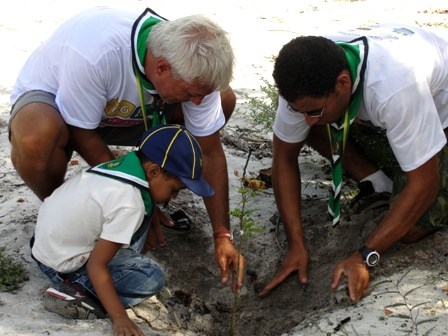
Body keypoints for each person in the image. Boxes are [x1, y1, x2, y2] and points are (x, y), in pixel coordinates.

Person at [8, 7, 242, 288]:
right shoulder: (96, 52)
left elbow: (211, 152)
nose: (195, 102)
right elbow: (83, 131)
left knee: (223, 101)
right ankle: (66, 219)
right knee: (36, 139)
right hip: (62, 109)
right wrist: (138, 196)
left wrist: (222, 234)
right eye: (191, 93)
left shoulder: (192, 67)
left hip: (128, 114)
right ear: (162, 68)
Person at [260, 23, 448, 301]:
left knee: (413, 226)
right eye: (300, 110)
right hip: (388, 117)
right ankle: (380, 183)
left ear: (343, 83)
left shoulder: (395, 88)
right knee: (307, 127)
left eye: (315, 110)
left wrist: (364, 255)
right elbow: (284, 158)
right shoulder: (303, 78)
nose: (308, 118)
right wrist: (295, 244)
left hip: (438, 116)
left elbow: (425, 183)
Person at [32, 124, 216, 335]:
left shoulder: (120, 166)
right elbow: (96, 266)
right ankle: (80, 290)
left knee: (147, 211)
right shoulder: (130, 203)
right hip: (64, 263)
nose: (173, 198)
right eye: (174, 190)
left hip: (44, 244)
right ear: (154, 171)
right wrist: (120, 318)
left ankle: (90, 280)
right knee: (152, 277)